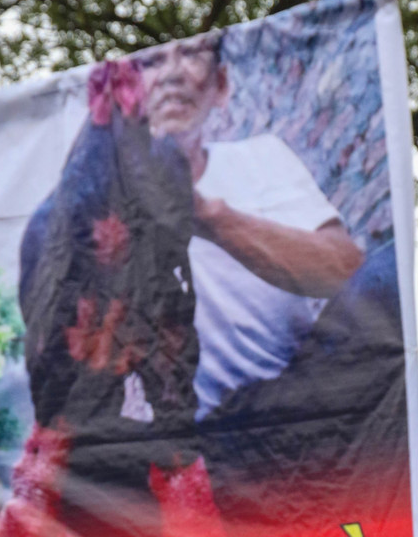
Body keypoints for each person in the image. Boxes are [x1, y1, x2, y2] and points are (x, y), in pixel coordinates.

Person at [134, 33, 363, 416]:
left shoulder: (262, 158)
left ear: (220, 86)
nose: (171, 74)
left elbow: (347, 270)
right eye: (152, 62)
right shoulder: (101, 201)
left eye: (191, 54)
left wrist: (212, 218)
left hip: (293, 401)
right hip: (195, 434)